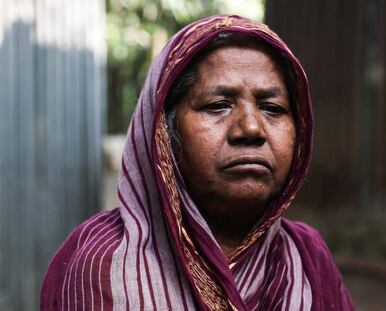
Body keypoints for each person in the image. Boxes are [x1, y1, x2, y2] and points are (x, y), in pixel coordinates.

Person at [41, 15, 354, 310]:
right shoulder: (104, 265)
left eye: (273, 108)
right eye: (218, 106)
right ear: (164, 132)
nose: (251, 129)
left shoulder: (307, 259)